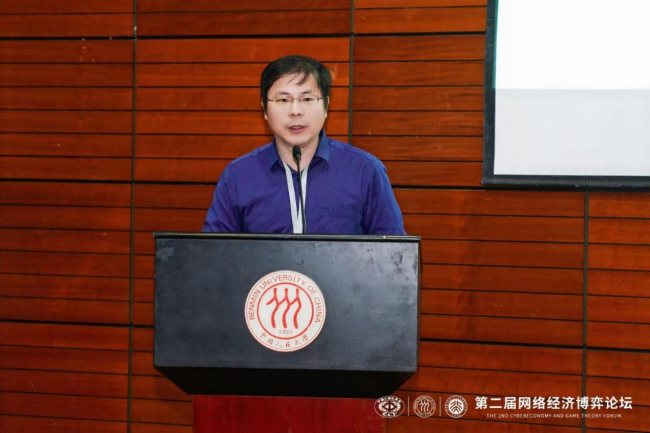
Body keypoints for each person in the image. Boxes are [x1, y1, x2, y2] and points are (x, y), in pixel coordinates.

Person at [203, 55, 405, 235]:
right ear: (264, 108)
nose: (295, 111)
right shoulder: (238, 176)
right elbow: (212, 254)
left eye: (307, 98)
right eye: (283, 100)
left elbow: (394, 254)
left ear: (326, 106)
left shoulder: (364, 170)